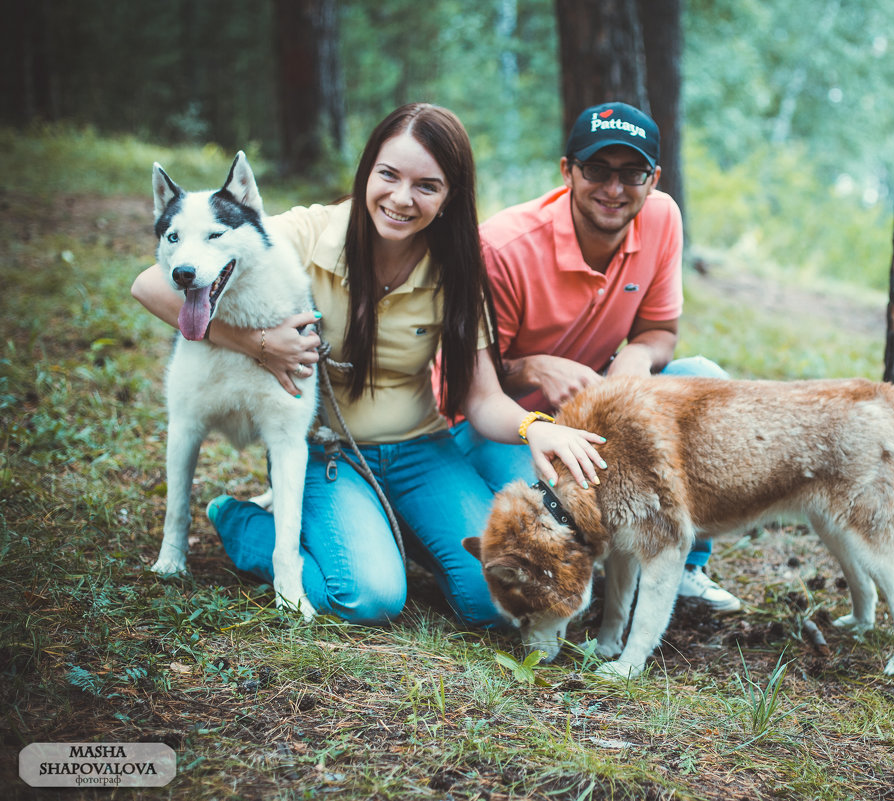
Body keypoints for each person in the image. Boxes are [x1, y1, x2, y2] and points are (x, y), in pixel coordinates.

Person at [131, 103, 606, 627]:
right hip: (328, 453)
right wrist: (259, 343)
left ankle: (387, 525)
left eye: (427, 185)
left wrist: (535, 428)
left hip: (421, 451)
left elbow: (482, 398)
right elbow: (151, 285)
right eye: (389, 175)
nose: (402, 198)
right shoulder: (312, 232)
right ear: (367, 172)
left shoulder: (458, 267)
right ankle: (244, 523)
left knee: (493, 599)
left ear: (450, 196)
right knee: (367, 596)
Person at [448, 101, 742, 613]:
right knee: (545, 509)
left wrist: (637, 357)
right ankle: (586, 572)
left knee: (704, 378)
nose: (613, 189)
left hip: (600, 405)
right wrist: (534, 366)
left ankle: (685, 566)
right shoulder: (503, 248)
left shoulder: (662, 217)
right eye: (597, 170)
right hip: (509, 421)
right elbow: (472, 389)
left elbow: (659, 331)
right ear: (568, 171)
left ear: (653, 178)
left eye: (632, 173)